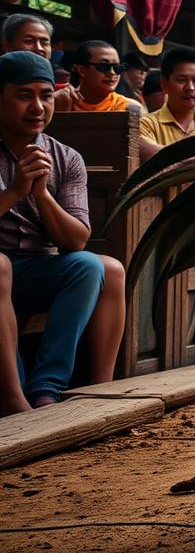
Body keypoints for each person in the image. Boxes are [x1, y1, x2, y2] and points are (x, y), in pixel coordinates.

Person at [0, 53, 123, 414]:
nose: (38, 106)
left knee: (88, 265)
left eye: (46, 95)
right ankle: (12, 398)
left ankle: (48, 389)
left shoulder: (65, 157)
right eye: (24, 95)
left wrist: (40, 194)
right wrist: (15, 192)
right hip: (1, 271)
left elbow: (75, 240)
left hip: (38, 269)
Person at [52, 41, 140, 113]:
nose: (112, 73)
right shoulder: (61, 101)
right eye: (104, 66)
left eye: (117, 68)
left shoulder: (128, 108)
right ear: (82, 70)